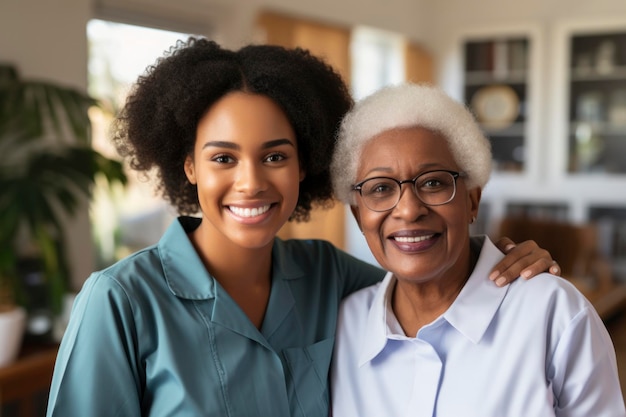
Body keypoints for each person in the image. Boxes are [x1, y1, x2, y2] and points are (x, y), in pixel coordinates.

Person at [46, 38, 560, 417]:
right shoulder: (120, 301)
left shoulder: (328, 275)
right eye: (223, 158)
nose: (250, 183)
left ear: (303, 165)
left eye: (275, 155)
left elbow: (423, 273)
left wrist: (500, 255)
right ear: (188, 167)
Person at [330, 83, 626, 416]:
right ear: (359, 214)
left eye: (433, 182)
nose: (409, 210)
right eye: (381, 188)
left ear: (472, 199)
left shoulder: (553, 313)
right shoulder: (341, 328)